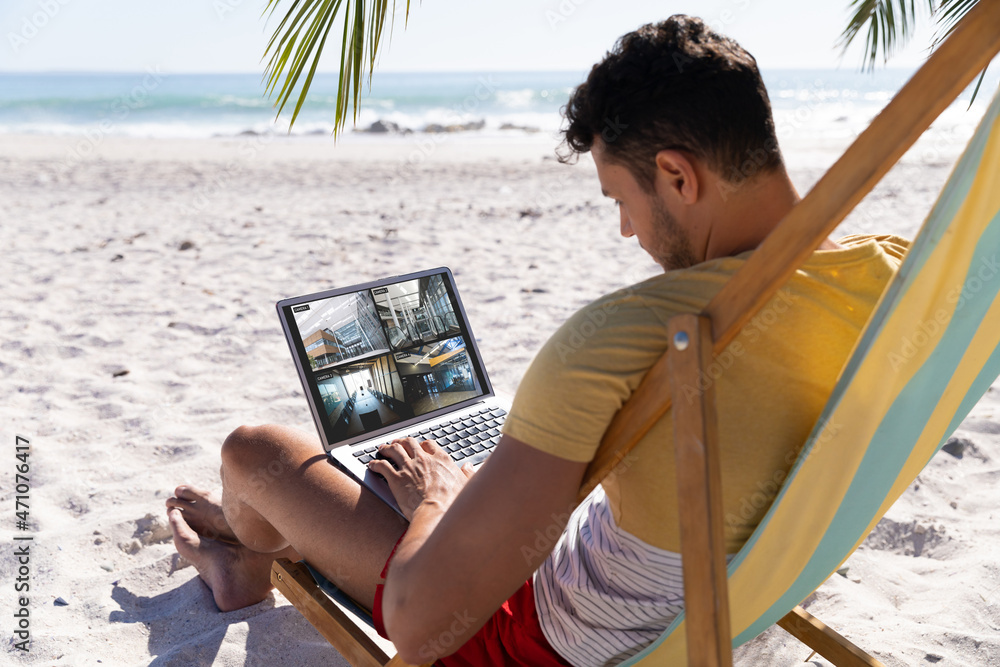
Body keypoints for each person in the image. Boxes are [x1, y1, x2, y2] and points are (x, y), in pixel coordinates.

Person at [167, 15, 908, 666]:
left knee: (255, 452)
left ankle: (247, 559)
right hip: (732, 600)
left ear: (677, 175)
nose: (628, 231)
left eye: (621, 200)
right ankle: (260, 542)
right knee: (413, 480)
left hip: (526, 638)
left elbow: (422, 627)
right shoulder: (896, 278)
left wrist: (439, 501)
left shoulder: (630, 336)